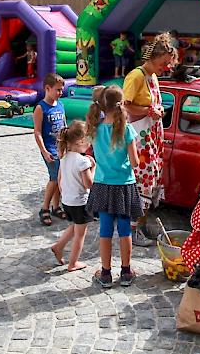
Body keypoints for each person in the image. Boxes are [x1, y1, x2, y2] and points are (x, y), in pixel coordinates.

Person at [122, 32, 176, 247]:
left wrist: (157, 110)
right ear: (153, 58)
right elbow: (124, 106)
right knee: (142, 184)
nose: (166, 68)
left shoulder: (152, 76)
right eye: (164, 63)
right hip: (140, 138)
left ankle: (141, 225)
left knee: (150, 183)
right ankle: (133, 230)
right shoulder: (135, 76)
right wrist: (148, 110)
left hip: (152, 137)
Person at [85, 85, 142, 287]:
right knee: (125, 230)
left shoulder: (95, 129)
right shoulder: (127, 129)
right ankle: (126, 272)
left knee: (105, 230)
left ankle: (106, 273)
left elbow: (89, 152)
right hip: (124, 185)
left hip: (102, 184)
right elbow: (135, 162)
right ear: (122, 103)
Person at [50, 121, 96, 272]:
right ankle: (73, 263)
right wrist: (93, 168)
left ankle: (59, 246)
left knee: (75, 225)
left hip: (68, 201)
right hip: (80, 202)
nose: (90, 145)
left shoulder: (64, 157)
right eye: (89, 141)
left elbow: (60, 178)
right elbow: (88, 184)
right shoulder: (83, 161)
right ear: (81, 141)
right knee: (80, 234)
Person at [33, 73, 67, 226]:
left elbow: (64, 126)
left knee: (60, 177)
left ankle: (56, 206)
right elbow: (37, 132)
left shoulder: (60, 105)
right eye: (58, 90)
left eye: (61, 90)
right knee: (54, 178)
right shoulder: (41, 108)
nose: (60, 93)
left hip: (61, 148)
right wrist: (44, 151)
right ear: (47, 88)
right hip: (50, 149)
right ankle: (44, 208)